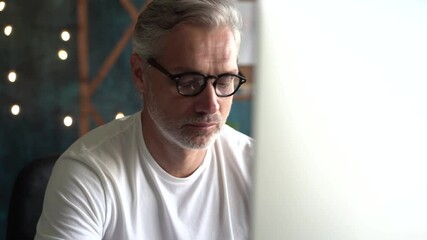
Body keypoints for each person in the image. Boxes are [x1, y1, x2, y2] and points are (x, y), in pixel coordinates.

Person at [35, 0, 254, 239]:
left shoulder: (257, 169)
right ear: (140, 74)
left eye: (224, 82)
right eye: (188, 82)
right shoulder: (88, 174)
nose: (211, 105)